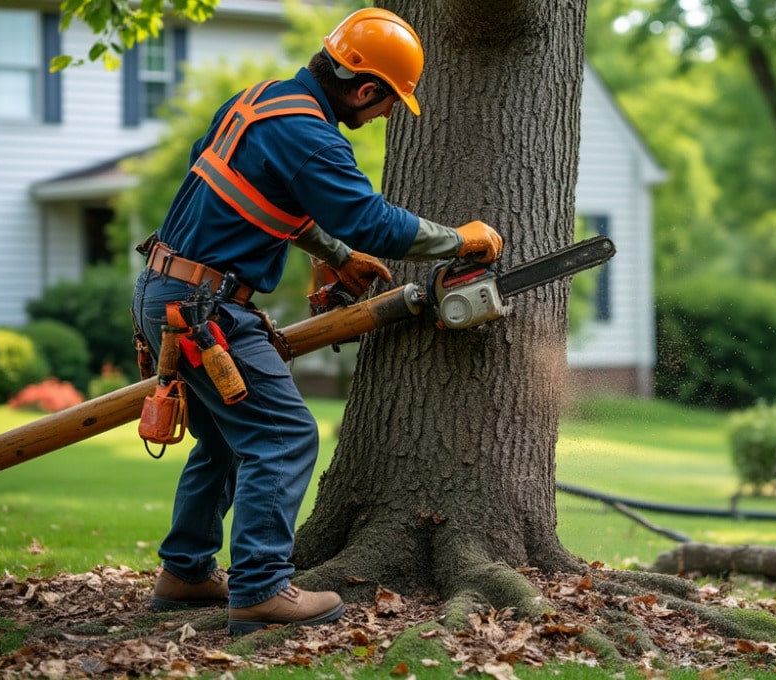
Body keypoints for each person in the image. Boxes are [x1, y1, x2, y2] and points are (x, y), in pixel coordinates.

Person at [131, 8, 503, 636]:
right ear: (364, 89)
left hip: (169, 290)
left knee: (226, 439)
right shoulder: (312, 136)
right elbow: (375, 223)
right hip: (204, 309)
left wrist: (335, 256)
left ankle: (186, 572)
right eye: (388, 102)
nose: (387, 115)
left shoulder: (258, 103)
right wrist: (460, 238)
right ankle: (259, 590)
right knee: (284, 435)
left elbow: (255, 194)